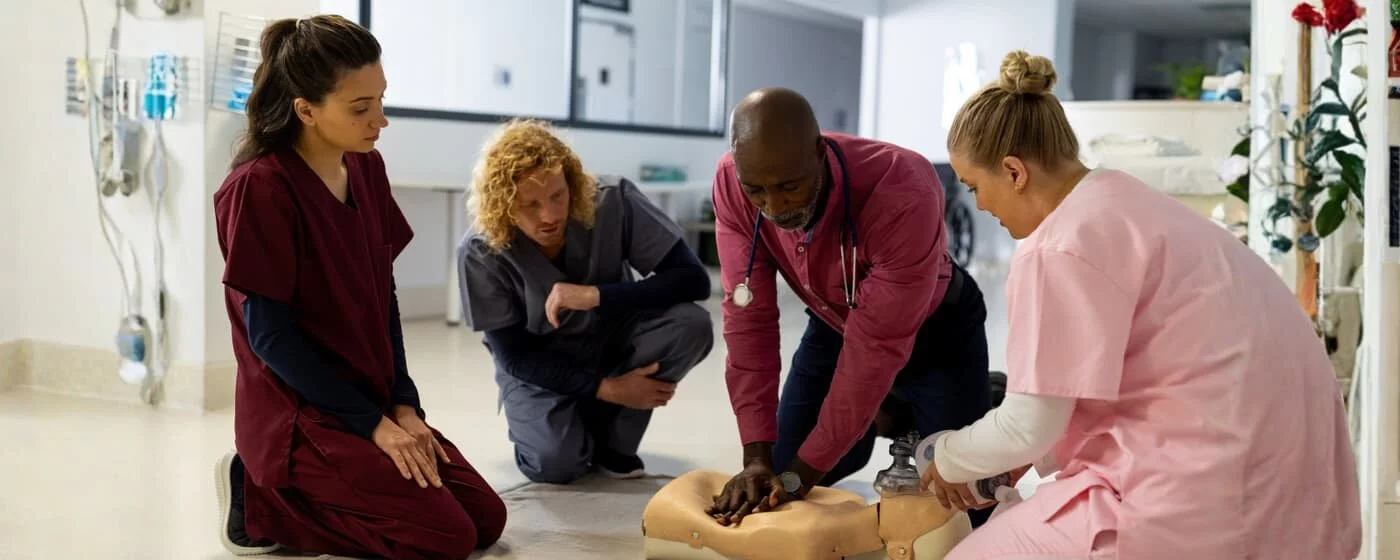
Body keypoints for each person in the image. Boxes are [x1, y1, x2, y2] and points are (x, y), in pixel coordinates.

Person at [921, 50, 1361, 559]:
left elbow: (1026, 424)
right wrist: (1020, 456)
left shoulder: (1057, 245)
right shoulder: (1126, 202)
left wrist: (948, 457)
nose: (979, 206)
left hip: (1198, 497)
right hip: (1296, 492)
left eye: (976, 187)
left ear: (1014, 171)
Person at [211, 15, 506, 559]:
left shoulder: (366, 170)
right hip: (299, 413)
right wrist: (370, 424)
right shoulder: (260, 189)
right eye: (361, 108)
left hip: (368, 398)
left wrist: (403, 405)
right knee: (447, 537)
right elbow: (271, 338)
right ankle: (258, 497)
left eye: (381, 99)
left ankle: (302, 487)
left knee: (486, 518)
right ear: (306, 110)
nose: (381, 120)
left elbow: (382, 296)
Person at [705, 87, 998, 528]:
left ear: (821, 152)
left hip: (938, 330)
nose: (775, 206)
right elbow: (749, 323)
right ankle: (879, 417)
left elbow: (875, 348)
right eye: (756, 191)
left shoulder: (902, 186)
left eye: (789, 186)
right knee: (781, 468)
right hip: (833, 321)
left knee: (965, 508)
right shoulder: (731, 182)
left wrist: (797, 480)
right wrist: (756, 458)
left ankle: (985, 399)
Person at [458, 118, 715, 484]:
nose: (549, 216)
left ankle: (616, 443)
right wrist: (609, 389)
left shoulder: (613, 201)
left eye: (557, 196)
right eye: (530, 205)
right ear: (503, 205)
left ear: (572, 184)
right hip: (540, 364)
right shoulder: (480, 252)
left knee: (692, 324)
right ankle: (579, 417)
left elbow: (693, 280)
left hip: (614, 338)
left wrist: (595, 296)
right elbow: (514, 356)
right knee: (554, 465)